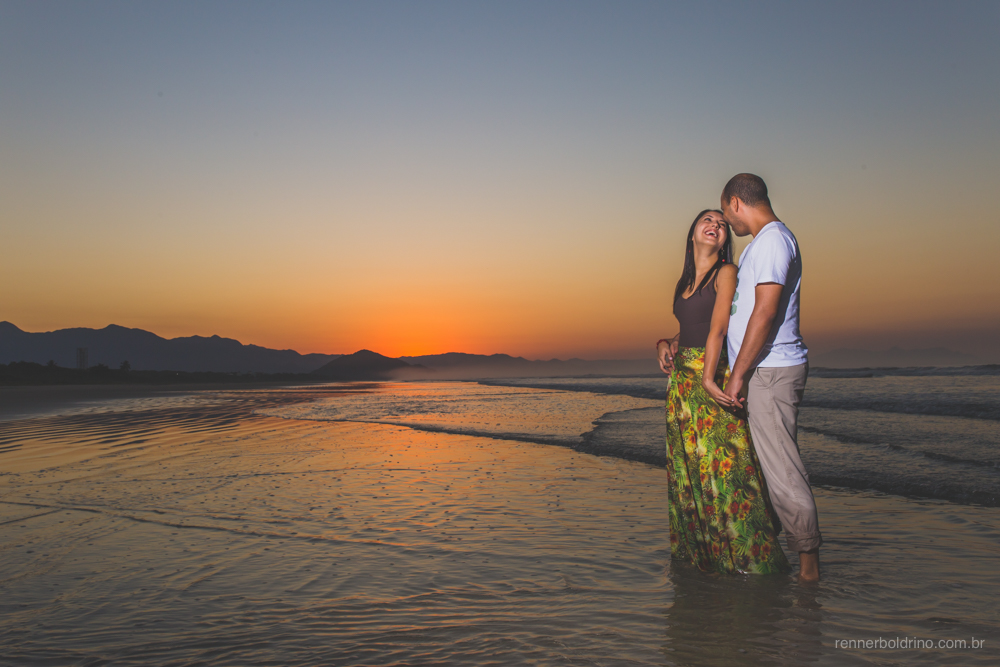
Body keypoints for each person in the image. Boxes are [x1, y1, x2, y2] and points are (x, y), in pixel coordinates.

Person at [657, 209, 790, 574]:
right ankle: (708, 557)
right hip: (682, 383)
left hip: (711, 376)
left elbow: (717, 330)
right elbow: (689, 329)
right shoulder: (683, 281)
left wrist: (709, 377)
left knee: (729, 468)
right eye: (707, 220)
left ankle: (753, 561)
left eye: (720, 222)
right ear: (693, 234)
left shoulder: (726, 272)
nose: (715, 225)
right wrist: (664, 343)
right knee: (692, 471)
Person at [717, 173, 823, 582]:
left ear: (735, 202)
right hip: (764, 369)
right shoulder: (763, 244)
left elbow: (765, 311)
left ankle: (808, 569)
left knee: (783, 469)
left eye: (726, 212)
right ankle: (782, 553)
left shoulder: (774, 240)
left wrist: (737, 375)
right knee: (769, 466)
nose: (728, 223)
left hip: (770, 370)